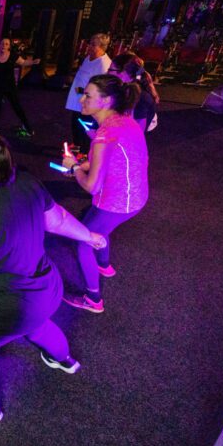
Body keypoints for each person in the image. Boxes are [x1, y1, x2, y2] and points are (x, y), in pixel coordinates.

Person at [0, 131, 106, 423]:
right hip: (47, 291)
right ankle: (64, 360)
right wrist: (89, 236)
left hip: (7, 311)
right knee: (37, 323)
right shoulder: (25, 182)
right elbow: (58, 220)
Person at [61, 75, 149, 313]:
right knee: (99, 228)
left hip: (117, 201)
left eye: (88, 95)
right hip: (135, 196)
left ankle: (93, 299)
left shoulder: (105, 134)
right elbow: (110, 158)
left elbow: (92, 186)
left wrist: (74, 168)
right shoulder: (122, 120)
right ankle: (104, 266)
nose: (81, 99)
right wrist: (83, 164)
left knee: (83, 240)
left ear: (106, 100)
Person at [0, 38, 40, 137]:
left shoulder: (13, 56)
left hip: (10, 86)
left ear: (9, 46)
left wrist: (33, 62)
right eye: (2, 44)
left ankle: (27, 126)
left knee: (17, 107)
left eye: (6, 44)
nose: (4, 45)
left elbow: (23, 62)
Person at [65, 33, 111, 153]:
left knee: (85, 127)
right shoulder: (88, 58)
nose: (89, 46)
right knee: (75, 123)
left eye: (93, 44)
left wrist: (83, 91)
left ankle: (84, 153)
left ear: (102, 47)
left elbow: (101, 87)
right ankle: (77, 146)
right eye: (89, 43)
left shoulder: (103, 64)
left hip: (89, 102)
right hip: (79, 99)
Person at [109, 52, 160, 132]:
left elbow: (137, 132)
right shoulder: (124, 89)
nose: (107, 73)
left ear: (124, 74)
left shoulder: (141, 98)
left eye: (111, 70)